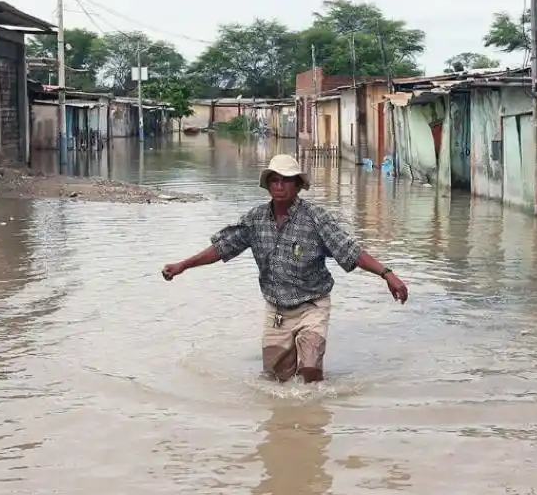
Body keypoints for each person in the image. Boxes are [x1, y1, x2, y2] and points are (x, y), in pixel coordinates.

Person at [161, 154, 408, 384]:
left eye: (286, 180)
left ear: (298, 185)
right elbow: (221, 248)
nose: (279, 186)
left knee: (310, 369)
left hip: (312, 305)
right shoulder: (255, 219)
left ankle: (314, 411)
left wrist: (386, 274)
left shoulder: (315, 218)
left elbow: (350, 250)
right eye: (274, 180)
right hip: (277, 310)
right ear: (268, 185)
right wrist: (183, 265)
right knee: (275, 379)